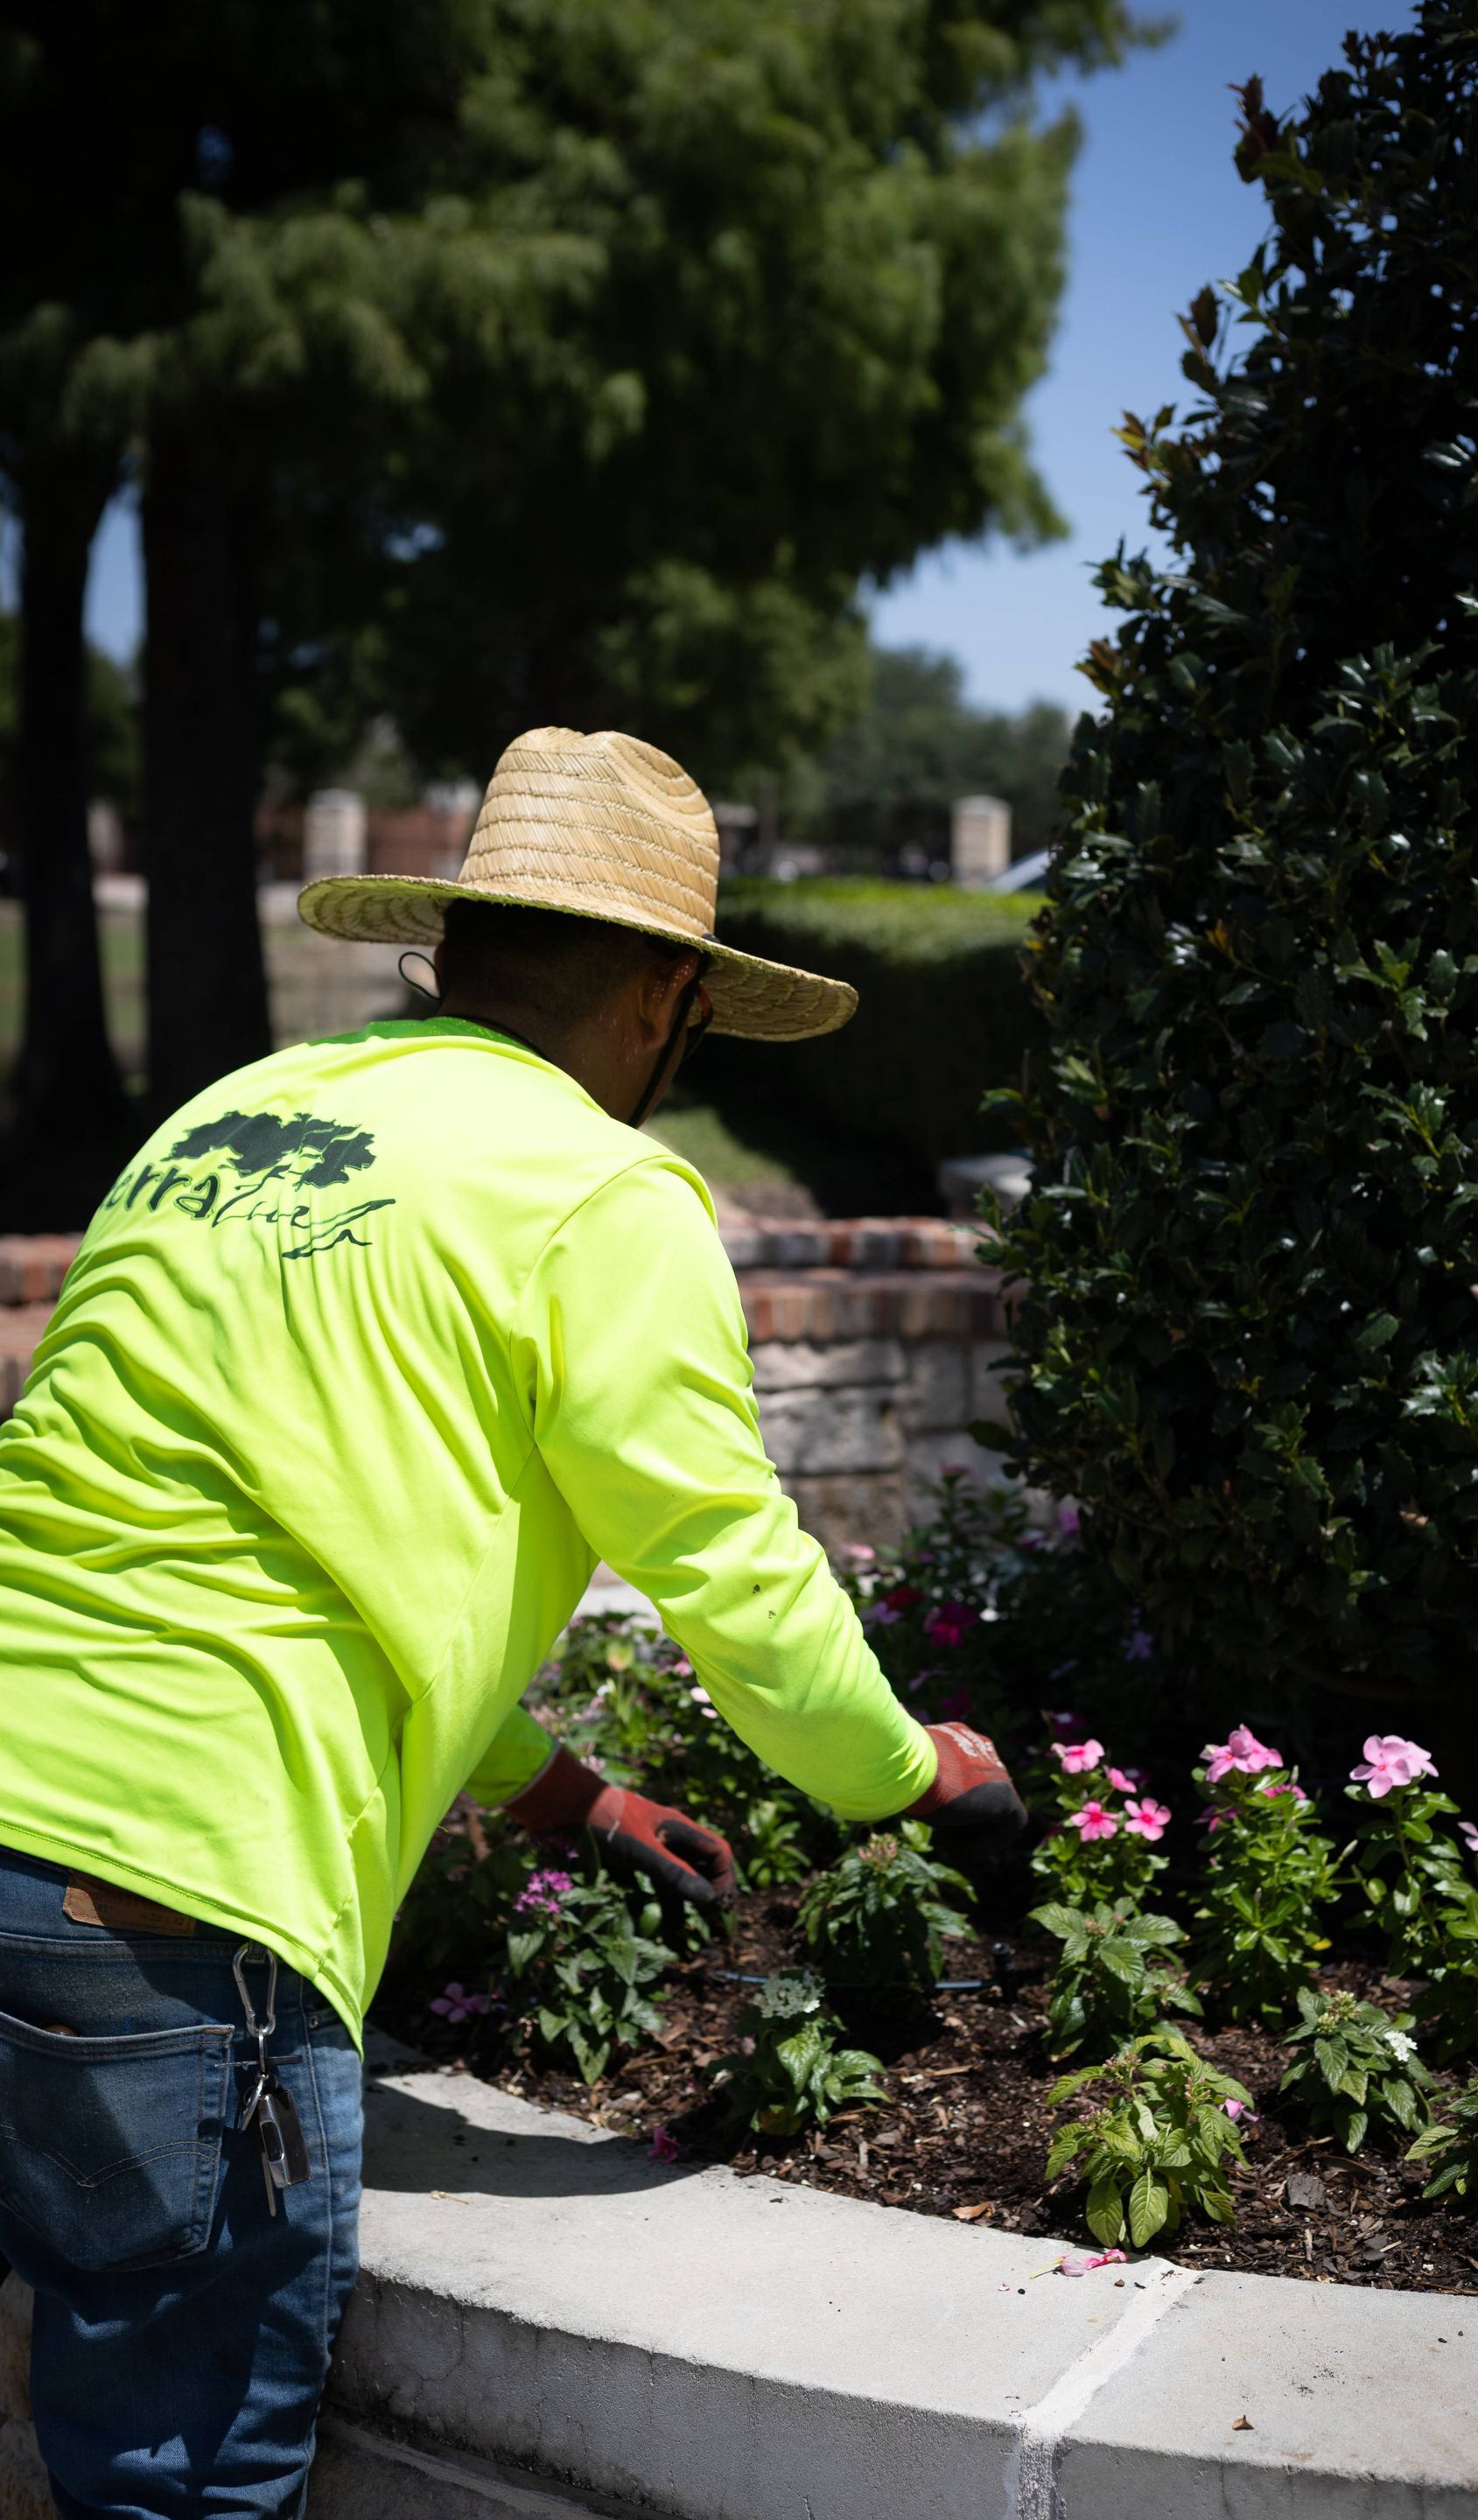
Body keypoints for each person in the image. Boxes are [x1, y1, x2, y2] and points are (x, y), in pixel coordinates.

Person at [0, 726, 1024, 2519]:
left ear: (455, 948)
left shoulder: (236, 1112)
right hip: (165, 1900)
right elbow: (734, 1574)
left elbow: (282, 1547)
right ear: (664, 1001)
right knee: (179, 2473)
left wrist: (567, 1798)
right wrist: (914, 1782)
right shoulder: (605, 1198)